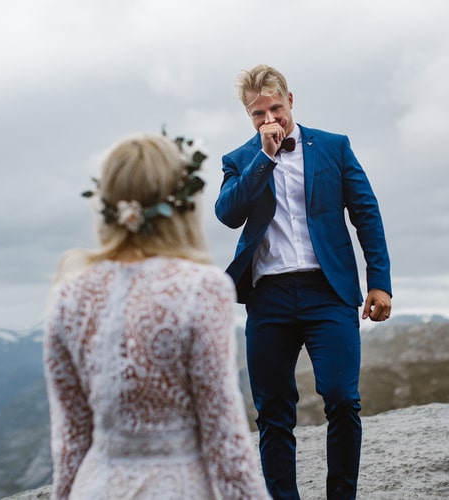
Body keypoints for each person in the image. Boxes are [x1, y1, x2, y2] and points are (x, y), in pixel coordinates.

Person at [43, 132, 270, 500]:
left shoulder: (68, 294)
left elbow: (70, 439)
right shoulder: (201, 288)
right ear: (181, 200)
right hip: (177, 486)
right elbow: (224, 438)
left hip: (94, 487)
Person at [215, 65, 393, 500]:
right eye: (258, 113)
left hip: (327, 292)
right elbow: (228, 213)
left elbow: (365, 212)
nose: (269, 118)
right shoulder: (240, 161)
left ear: (291, 99)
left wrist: (379, 281)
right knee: (273, 413)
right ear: (248, 115)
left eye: (275, 107)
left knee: (342, 398)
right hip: (268, 298)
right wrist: (265, 157)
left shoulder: (333, 147)